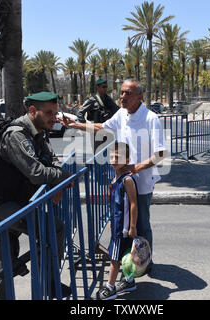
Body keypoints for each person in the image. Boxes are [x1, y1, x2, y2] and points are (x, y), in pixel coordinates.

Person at [60, 78, 168, 276]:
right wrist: (76, 125)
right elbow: (102, 127)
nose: (122, 96)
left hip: (142, 182)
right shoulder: (122, 114)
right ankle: (129, 261)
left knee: (142, 223)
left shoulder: (151, 118)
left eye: (128, 93)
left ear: (140, 97)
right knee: (126, 223)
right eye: (122, 92)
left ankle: (145, 262)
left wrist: (136, 167)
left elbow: (161, 152)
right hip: (122, 181)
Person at [0, 91, 73, 300]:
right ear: (32, 111)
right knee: (54, 228)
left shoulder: (38, 131)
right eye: (49, 112)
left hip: (17, 200)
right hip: (1, 203)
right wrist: (63, 176)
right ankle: (47, 285)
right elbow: (37, 173)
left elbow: (51, 160)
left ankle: (6, 294)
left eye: (55, 112)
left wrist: (56, 179)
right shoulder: (17, 135)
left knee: (5, 254)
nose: (54, 117)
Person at [96, 142, 139, 300]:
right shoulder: (116, 178)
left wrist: (132, 226)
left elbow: (134, 203)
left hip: (124, 228)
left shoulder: (127, 180)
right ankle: (129, 280)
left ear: (127, 160)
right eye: (112, 156)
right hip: (118, 225)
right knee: (124, 255)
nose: (113, 160)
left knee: (114, 258)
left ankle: (110, 287)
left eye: (118, 157)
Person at [77, 79, 120, 152]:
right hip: (96, 132)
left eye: (106, 87)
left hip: (108, 130)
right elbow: (80, 113)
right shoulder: (92, 100)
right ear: (98, 87)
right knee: (98, 153)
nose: (105, 89)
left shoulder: (109, 99)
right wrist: (86, 126)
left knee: (110, 153)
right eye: (103, 87)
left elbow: (118, 111)